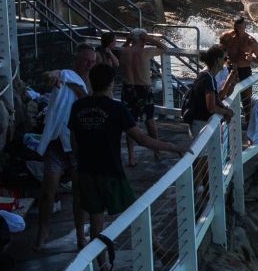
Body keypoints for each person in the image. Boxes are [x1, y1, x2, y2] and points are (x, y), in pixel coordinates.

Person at [69, 64, 188, 249]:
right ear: (111, 82)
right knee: (136, 212)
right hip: (110, 171)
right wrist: (173, 147)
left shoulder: (78, 106)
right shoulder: (116, 108)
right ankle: (159, 250)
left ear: (91, 82)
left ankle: (102, 267)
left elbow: (74, 142)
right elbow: (141, 139)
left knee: (95, 221)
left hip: (85, 171)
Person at [31, 46, 95, 251]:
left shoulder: (92, 83)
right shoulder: (66, 75)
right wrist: (53, 74)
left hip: (79, 147)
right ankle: (42, 231)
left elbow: (90, 104)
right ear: (76, 59)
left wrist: (78, 90)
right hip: (57, 143)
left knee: (79, 193)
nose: (89, 65)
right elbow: (52, 75)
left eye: (92, 61)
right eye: (86, 60)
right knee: (48, 191)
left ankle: (79, 234)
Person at [118, 30, 165, 165]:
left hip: (128, 89)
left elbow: (122, 49)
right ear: (143, 39)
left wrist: (128, 41)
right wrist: (150, 38)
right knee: (149, 121)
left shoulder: (124, 51)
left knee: (130, 123)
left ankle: (132, 158)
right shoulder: (146, 52)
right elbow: (164, 48)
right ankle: (156, 151)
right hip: (143, 89)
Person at [180, 46, 235, 138]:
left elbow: (215, 99)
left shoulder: (204, 75)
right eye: (224, 59)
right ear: (217, 61)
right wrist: (226, 112)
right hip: (201, 124)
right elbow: (211, 107)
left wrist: (224, 109)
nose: (225, 62)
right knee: (204, 152)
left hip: (198, 122)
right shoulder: (209, 79)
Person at [218, 15, 258, 105]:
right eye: (236, 28)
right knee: (225, 99)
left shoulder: (250, 41)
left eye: (241, 28)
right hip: (228, 70)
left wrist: (252, 59)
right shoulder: (226, 37)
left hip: (244, 72)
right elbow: (219, 54)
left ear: (245, 27)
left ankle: (247, 118)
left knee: (246, 101)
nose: (238, 31)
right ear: (233, 26)